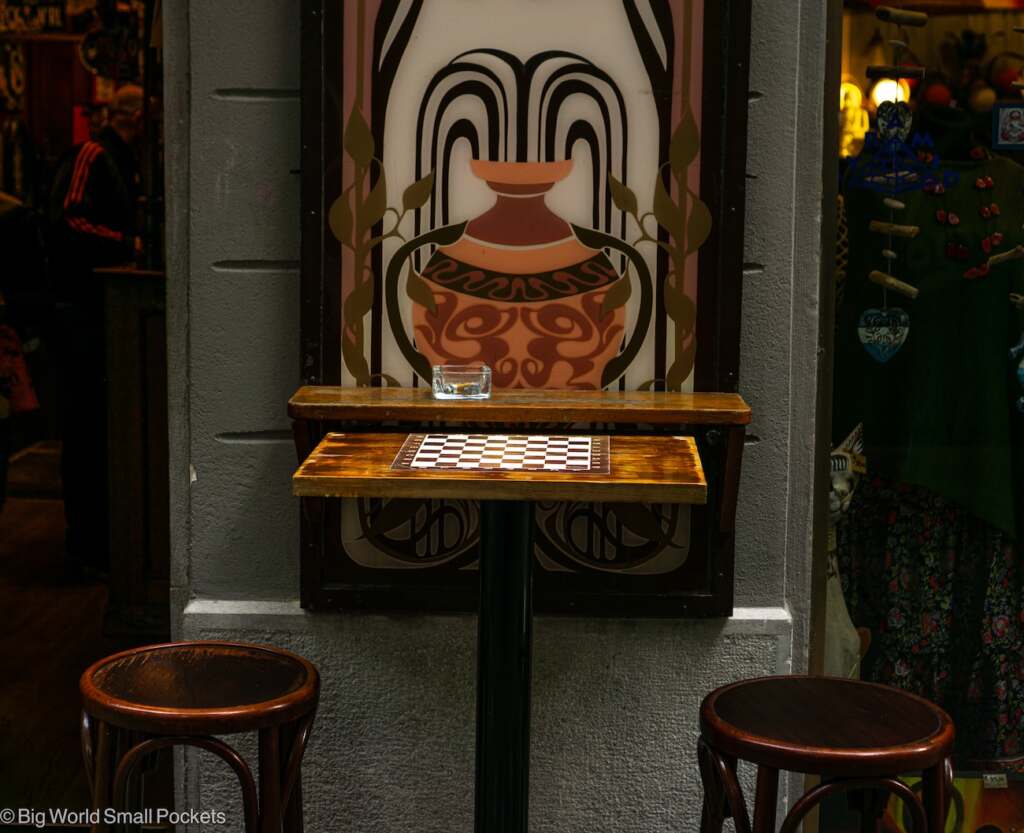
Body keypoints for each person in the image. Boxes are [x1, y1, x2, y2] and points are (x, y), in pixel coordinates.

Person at [48, 84, 143, 577]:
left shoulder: (122, 159)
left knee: (101, 429)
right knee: (86, 429)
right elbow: (67, 220)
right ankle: (84, 544)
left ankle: (99, 543)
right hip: (80, 311)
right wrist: (129, 244)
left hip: (98, 312)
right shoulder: (94, 153)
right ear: (132, 116)